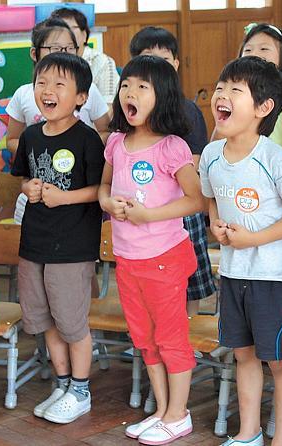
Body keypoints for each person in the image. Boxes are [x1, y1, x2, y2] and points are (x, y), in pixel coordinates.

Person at [200, 56, 282, 446]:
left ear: (264, 109)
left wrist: (254, 239)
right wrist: (215, 223)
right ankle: (248, 434)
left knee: (280, 362)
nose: (222, 95)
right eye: (221, 87)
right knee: (244, 355)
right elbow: (211, 199)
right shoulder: (211, 155)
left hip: (273, 277)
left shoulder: (275, 159)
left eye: (236, 90)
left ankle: (281, 440)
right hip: (233, 274)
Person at [98, 55, 203, 445]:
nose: (131, 92)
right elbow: (103, 189)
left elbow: (196, 201)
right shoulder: (115, 142)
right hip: (129, 260)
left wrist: (149, 215)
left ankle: (179, 414)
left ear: (163, 97)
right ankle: (162, 410)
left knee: (171, 338)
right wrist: (108, 204)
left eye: (143, 87)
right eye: (127, 84)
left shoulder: (172, 147)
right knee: (145, 338)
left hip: (164, 259)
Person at [11, 52, 105, 424]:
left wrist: (64, 196)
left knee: (72, 323)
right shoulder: (32, 134)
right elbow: (20, 176)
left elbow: (101, 189)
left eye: (59, 85)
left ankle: (81, 391)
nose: (47, 91)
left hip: (72, 247)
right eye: (42, 83)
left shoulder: (87, 139)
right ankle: (63, 384)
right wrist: (28, 186)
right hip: (34, 242)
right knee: (45, 320)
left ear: (81, 97)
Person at [129, 26, 216, 315]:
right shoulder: (132, 114)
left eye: (163, 61)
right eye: (146, 60)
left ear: (175, 65)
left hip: (179, 207)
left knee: (189, 275)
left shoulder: (186, 109)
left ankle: (187, 325)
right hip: (144, 210)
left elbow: (193, 159)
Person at [5, 17, 110, 155]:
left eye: (70, 48)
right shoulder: (23, 94)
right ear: (34, 54)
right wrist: (38, 151)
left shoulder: (89, 90)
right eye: (55, 48)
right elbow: (12, 140)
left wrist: (82, 148)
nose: (63, 54)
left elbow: (106, 131)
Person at [239, 23, 282, 163]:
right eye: (248, 49)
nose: (254, 54)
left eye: (264, 48)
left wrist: (252, 154)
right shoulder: (237, 100)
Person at [50, 7, 120, 105]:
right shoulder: (50, 61)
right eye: (59, 30)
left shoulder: (102, 62)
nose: (64, 34)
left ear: (84, 35)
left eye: (70, 29)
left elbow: (109, 104)